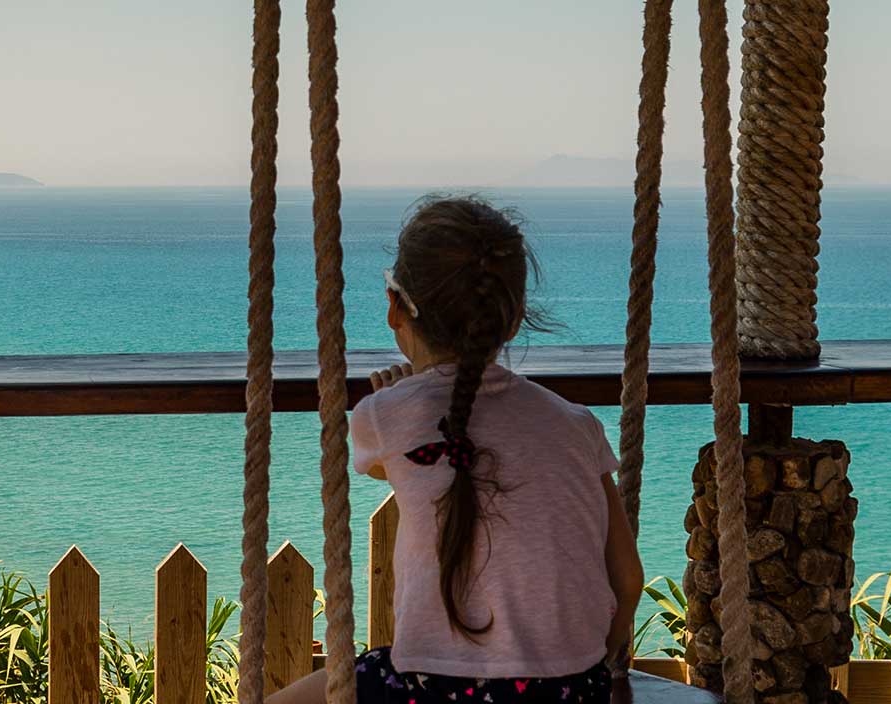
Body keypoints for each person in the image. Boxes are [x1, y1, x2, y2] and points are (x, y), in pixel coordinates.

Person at [268, 196, 642, 704]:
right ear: (510, 321)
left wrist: (405, 390)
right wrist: (586, 664)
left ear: (394, 307)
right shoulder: (578, 425)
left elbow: (395, 469)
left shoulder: (386, 415)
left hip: (435, 686)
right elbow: (627, 577)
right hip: (574, 686)